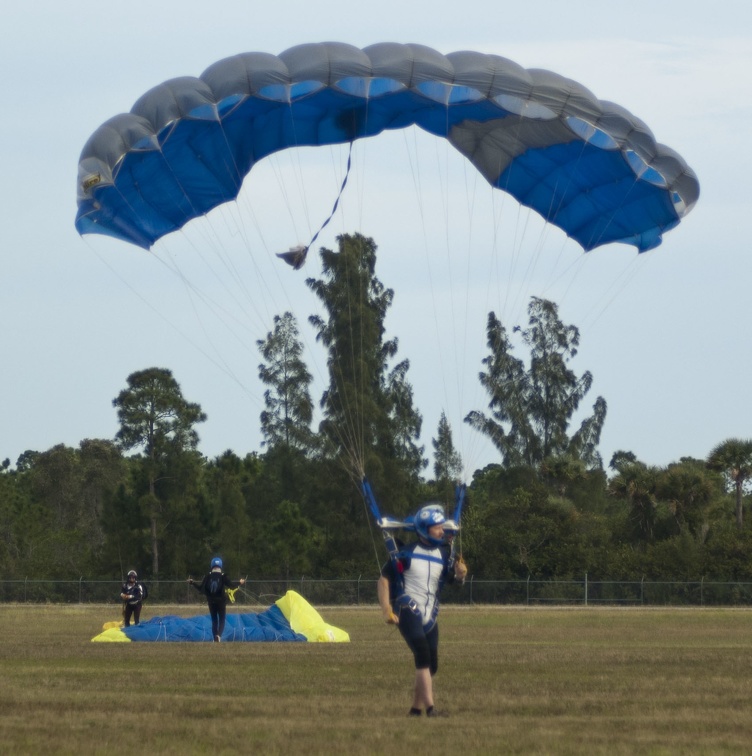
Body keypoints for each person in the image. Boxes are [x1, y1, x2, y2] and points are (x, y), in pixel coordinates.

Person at [377, 504, 468, 717]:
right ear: (425, 530)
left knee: (431, 665)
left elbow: (452, 581)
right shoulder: (406, 554)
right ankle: (431, 709)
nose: (441, 531)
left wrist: (460, 575)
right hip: (408, 609)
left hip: (430, 615)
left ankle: (415, 710)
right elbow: (383, 580)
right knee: (422, 655)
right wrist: (386, 610)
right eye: (437, 528)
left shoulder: (444, 555)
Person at [188, 557, 246, 642]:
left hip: (211, 601)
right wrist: (240, 583)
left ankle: (215, 636)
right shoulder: (223, 576)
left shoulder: (208, 576)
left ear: (212, 565)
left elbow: (201, 589)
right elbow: (232, 586)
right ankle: (218, 635)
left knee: (214, 620)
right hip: (221, 601)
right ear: (220, 566)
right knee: (222, 620)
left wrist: (192, 583)